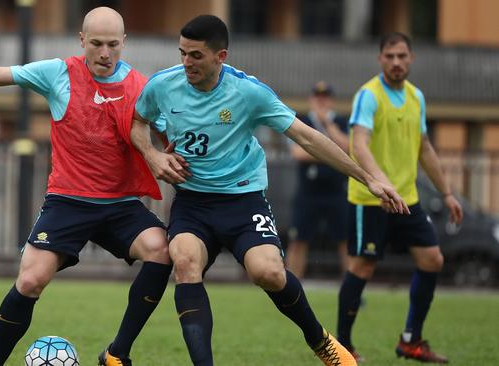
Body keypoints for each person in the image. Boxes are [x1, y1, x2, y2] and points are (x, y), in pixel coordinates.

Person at [131, 15, 409, 366]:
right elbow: (138, 120)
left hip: (243, 201)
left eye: (196, 55)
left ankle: (320, 340)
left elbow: (307, 136)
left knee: (269, 273)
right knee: (184, 261)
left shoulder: (249, 93)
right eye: (182, 53)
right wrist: (152, 154)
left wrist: (366, 177)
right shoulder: (162, 85)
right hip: (193, 202)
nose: (186, 62)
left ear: (221, 57)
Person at [0, 7, 172, 366]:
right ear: (82, 40)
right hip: (67, 201)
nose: (105, 53)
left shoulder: (142, 87)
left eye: (113, 44)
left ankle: (116, 353)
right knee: (31, 280)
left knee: (161, 250)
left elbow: (170, 133)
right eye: (96, 43)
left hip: (120, 204)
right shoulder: (57, 73)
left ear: (124, 42)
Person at [336, 32, 463, 364]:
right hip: (370, 199)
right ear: (380, 59)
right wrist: (381, 183)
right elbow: (359, 144)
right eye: (389, 56)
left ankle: (411, 341)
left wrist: (448, 193)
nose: (396, 62)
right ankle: (342, 349)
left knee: (432, 260)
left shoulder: (416, 97)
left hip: (407, 198)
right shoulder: (368, 95)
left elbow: (424, 148)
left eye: (401, 56)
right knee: (363, 266)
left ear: (411, 59)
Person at [286, 81, 350, 278]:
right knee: (298, 241)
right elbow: (297, 153)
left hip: (336, 192)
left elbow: (347, 149)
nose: (321, 101)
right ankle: (289, 289)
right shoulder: (301, 120)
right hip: (308, 193)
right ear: (311, 99)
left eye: (325, 98)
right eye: (317, 97)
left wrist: (327, 124)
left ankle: (351, 289)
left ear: (331, 101)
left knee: (346, 242)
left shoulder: (341, 122)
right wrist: (331, 153)